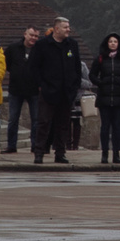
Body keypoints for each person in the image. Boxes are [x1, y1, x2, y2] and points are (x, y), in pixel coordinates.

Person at [31, 20, 84, 164]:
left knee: (63, 124)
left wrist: (74, 87)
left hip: (66, 93)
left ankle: (60, 153)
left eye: (69, 27)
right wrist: (41, 85)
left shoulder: (72, 45)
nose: (68, 30)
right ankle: (39, 152)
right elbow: (34, 67)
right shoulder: (42, 45)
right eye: (65, 27)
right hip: (48, 92)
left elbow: (77, 68)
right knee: (44, 123)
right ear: (56, 29)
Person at [92, 33, 120, 165]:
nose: (113, 43)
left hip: (119, 97)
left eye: (115, 41)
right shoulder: (100, 58)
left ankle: (116, 154)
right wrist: (100, 82)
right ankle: (104, 153)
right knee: (105, 127)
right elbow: (92, 74)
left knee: (117, 127)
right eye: (110, 41)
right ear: (107, 43)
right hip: (104, 97)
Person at [7, 25, 42, 156]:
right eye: (31, 35)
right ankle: (11, 145)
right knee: (13, 119)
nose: (34, 38)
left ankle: (35, 145)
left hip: (34, 89)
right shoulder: (13, 48)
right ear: (25, 34)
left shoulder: (40, 49)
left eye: (36, 36)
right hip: (16, 89)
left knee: (36, 119)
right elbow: (7, 64)